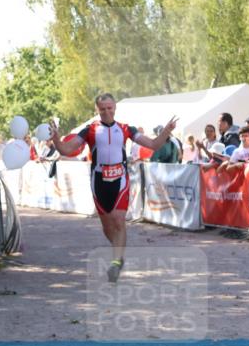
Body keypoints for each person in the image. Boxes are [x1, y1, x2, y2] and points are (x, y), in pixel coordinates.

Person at [50, 93, 176, 282]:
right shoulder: (89, 130)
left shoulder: (126, 129)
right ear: (97, 110)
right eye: (103, 109)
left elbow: (153, 144)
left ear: (115, 107)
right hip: (99, 182)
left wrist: (166, 131)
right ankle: (119, 253)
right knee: (108, 226)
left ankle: (116, 262)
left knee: (118, 220)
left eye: (110, 108)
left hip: (120, 180)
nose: (107, 112)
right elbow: (66, 150)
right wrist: (56, 140)